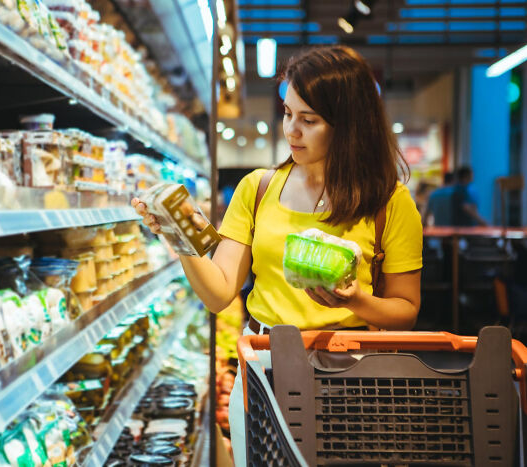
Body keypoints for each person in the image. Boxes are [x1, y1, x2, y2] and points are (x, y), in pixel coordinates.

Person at [132, 45, 422, 466]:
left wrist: (356, 299)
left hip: (352, 376)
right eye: (287, 113)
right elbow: (218, 294)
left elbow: (406, 310)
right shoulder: (257, 189)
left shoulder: (389, 202)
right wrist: (182, 238)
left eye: (309, 120)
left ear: (350, 125)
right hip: (265, 369)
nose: (292, 131)